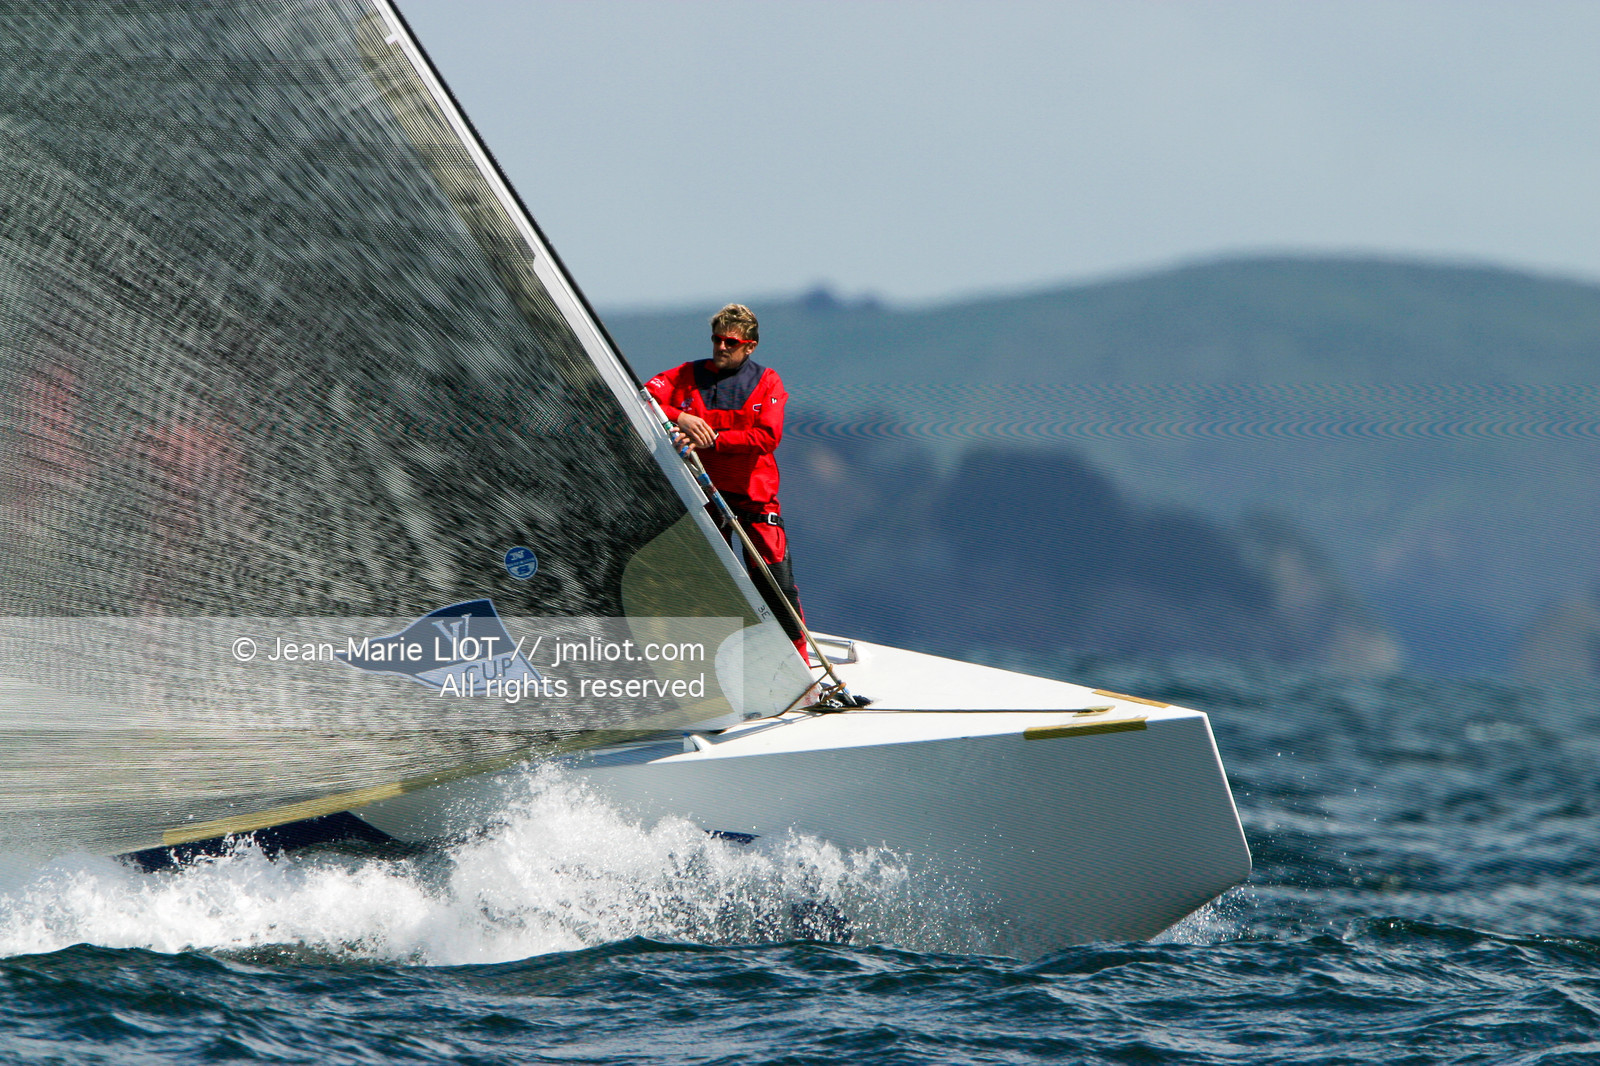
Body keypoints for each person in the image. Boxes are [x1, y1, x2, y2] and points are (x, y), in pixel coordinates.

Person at [647, 303, 808, 660]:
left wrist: (714, 440)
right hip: (702, 497)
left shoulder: (768, 382)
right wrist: (680, 417)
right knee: (704, 587)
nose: (721, 347)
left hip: (753, 501)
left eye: (730, 343)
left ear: (749, 347)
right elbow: (644, 397)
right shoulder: (686, 375)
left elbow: (767, 436)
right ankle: (710, 664)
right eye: (716, 340)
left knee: (775, 586)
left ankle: (800, 666)